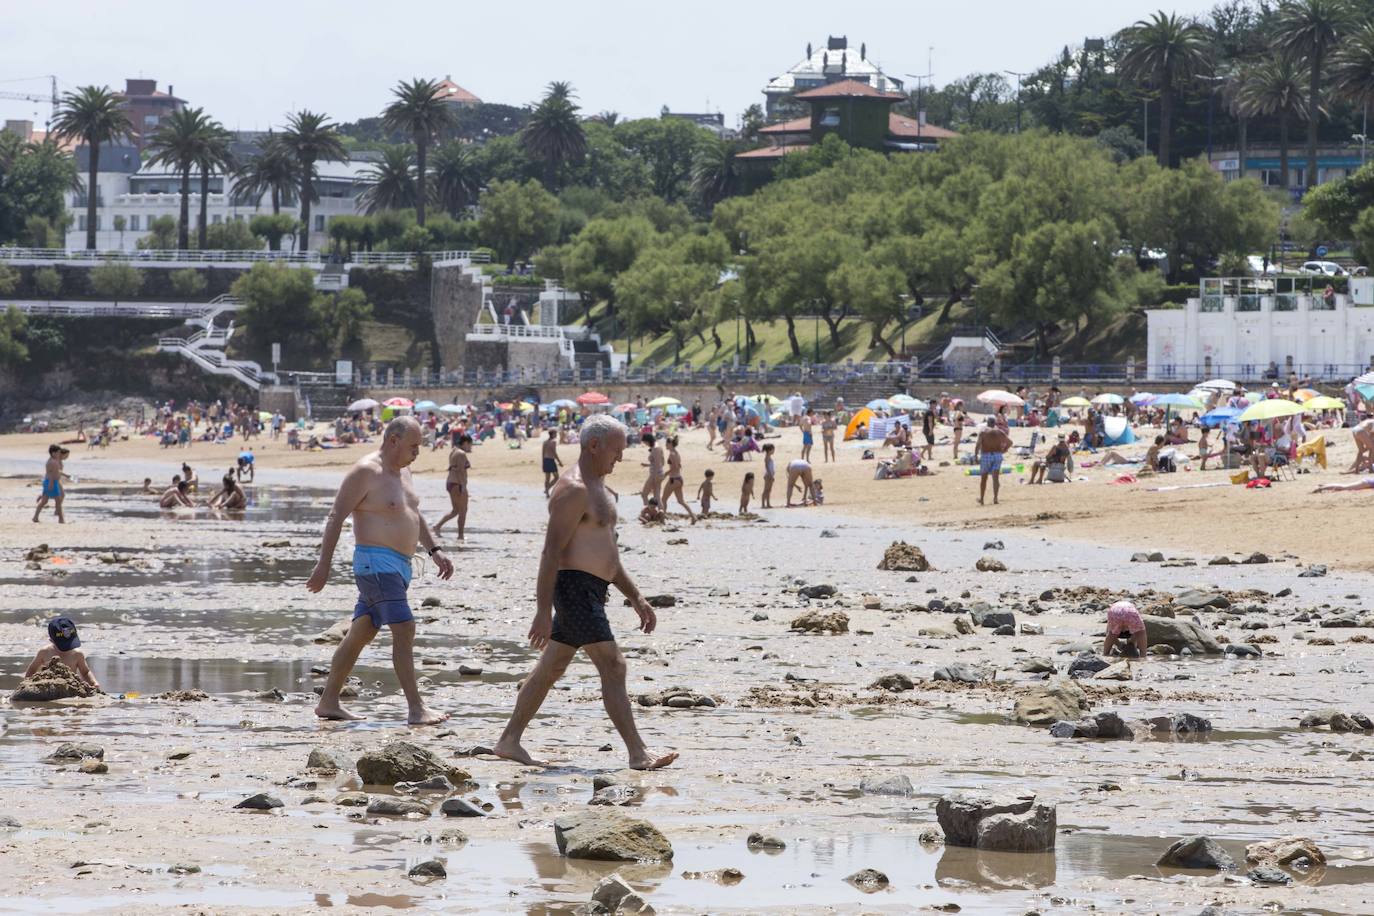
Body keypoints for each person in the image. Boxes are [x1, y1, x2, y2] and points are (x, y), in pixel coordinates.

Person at [492, 415, 677, 771]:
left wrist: (636, 597)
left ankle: (509, 740)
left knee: (552, 666)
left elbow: (608, 555)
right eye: (617, 450)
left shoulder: (600, 490)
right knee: (613, 664)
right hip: (574, 588)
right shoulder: (573, 490)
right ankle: (638, 753)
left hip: (593, 589)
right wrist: (542, 611)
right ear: (594, 446)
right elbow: (551, 552)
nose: (620, 458)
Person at [307, 417, 452, 724]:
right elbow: (336, 517)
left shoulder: (404, 472)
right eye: (414, 446)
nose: (418, 452)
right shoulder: (365, 472)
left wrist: (435, 549)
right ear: (393, 440)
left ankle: (329, 702)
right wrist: (324, 565)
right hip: (375, 564)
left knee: (361, 632)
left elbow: (414, 514)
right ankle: (416, 708)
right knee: (404, 628)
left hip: (398, 567)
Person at [25, 617, 100, 690]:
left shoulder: (77, 654)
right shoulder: (44, 652)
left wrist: (93, 683)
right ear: (51, 640)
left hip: (70, 688)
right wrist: (27, 683)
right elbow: (32, 669)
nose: (67, 647)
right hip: (49, 688)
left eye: (70, 643)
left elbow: (85, 672)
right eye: (63, 645)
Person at [432, 434, 474, 541]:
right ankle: (460, 536)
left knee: (455, 510)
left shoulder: (454, 451)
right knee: (463, 511)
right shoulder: (461, 453)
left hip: (450, 482)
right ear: (465, 443)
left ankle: (437, 526)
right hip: (457, 483)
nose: (471, 447)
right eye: (470, 445)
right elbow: (461, 470)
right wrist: (463, 486)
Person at [973, 418, 1012, 506]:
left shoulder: (983, 431)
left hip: (986, 455)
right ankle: (995, 498)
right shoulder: (1000, 432)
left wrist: (976, 456)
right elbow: (1010, 443)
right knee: (995, 478)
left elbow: (978, 444)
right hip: (997, 455)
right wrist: (1004, 450)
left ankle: (982, 499)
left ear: (987, 423)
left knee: (984, 478)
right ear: (994, 423)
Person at [660, 436, 696, 523]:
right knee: (681, 501)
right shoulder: (677, 453)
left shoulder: (672, 454)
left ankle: (662, 520)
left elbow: (675, 467)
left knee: (663, 499)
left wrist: (665, 474)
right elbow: (678, 466)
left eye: (666, 444)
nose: (665, 445)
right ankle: (693, 516)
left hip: (673, 479)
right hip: (679, 479)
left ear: (670, 444)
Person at [33, 444, 72, 524]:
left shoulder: (52, 460)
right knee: (57, 502)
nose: (59, 454)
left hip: (50, 482)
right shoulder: (53, 462)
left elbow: (54, 472)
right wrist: (51, 484)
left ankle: (35, 517)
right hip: (52, 482)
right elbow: (52, 474)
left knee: (45, 501)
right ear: (53, 453)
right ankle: (61, 520)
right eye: (58, 453)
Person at [639, 432, 664, 506]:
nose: (645, 444)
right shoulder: (656, 447)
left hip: (655, 475)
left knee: (644, 494)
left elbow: (658, 464)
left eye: (645, 443)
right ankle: (660, 515)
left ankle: (648, 513)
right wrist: (647, 465)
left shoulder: (656, 449)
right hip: (658, 473)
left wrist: (654, 477)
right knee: (657, 497)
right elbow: (661, 463)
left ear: (648, 441)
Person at [541, 429, 562, 497]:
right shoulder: (553, 442)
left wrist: (543, 462)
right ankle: (547, 489)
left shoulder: (545, 442)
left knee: (547, 478)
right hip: (550, 460)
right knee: (556, 477)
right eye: (555, 434)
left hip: (545, 460)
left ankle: (547, 492)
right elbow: (554, 453)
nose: (556, 435)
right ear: (552, 434)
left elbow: (543, 453)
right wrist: (559, 461)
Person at [761, 443, 776, 508]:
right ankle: (763, 504)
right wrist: (771, 475)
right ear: (770, 450)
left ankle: (768, 503)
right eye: (773, 449)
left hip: (770, 475)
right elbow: (766, 466)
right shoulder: (767, 457)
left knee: (769, 490)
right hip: (768, 475)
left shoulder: (769, 457)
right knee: (766, 490)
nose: (774, 451)